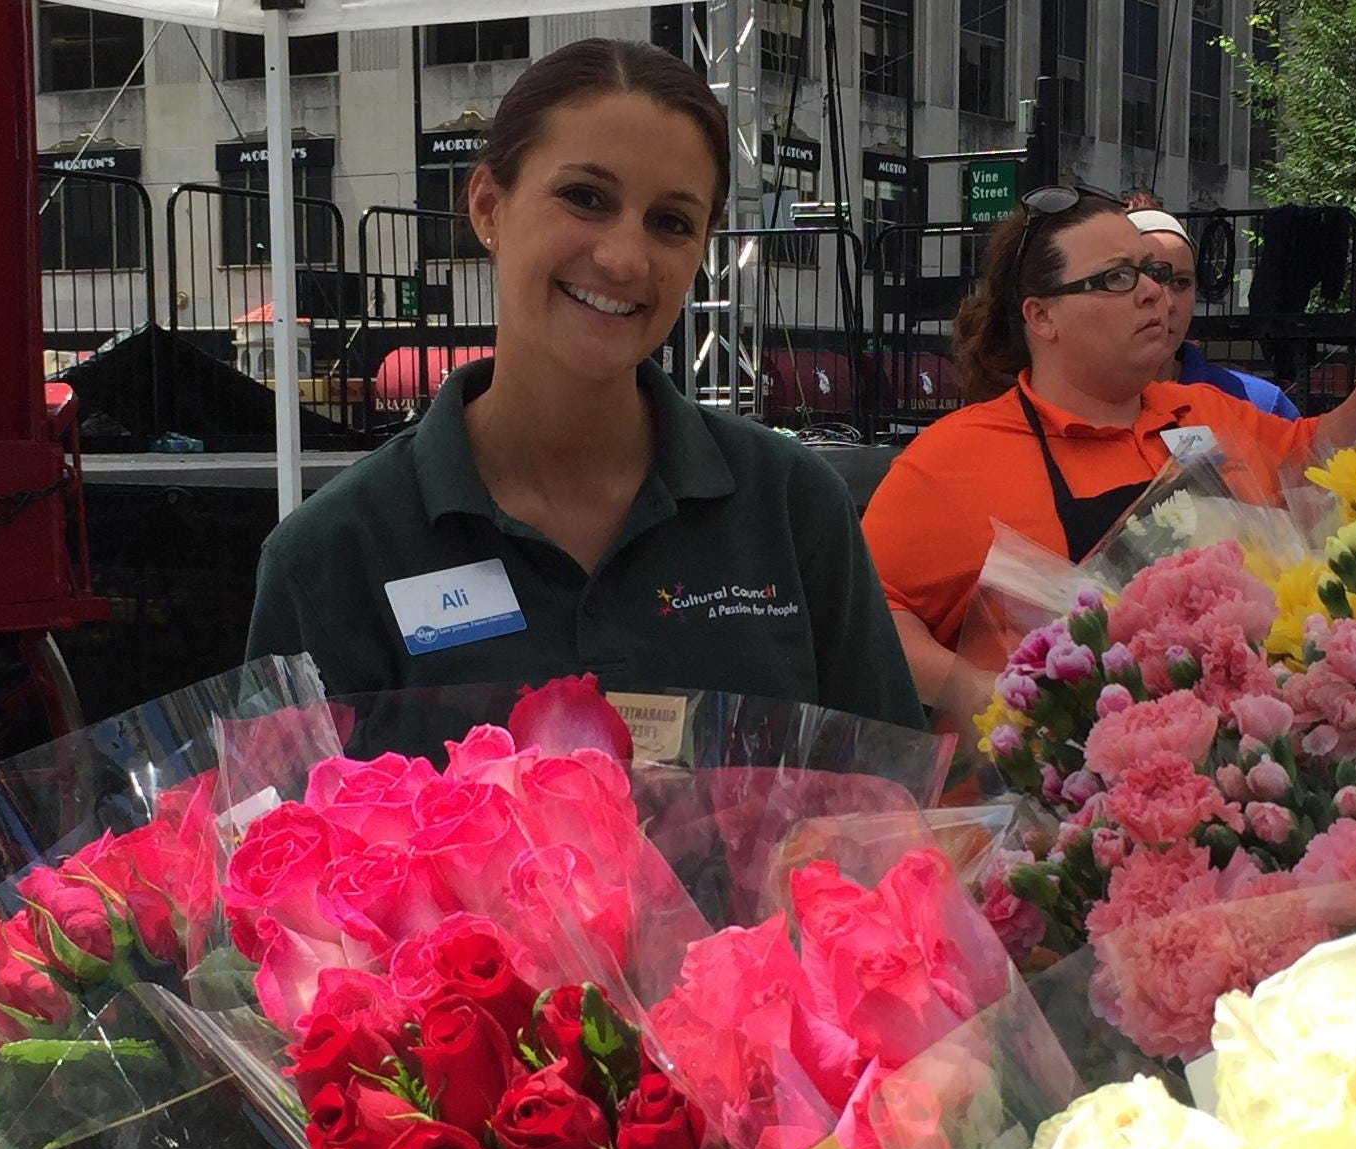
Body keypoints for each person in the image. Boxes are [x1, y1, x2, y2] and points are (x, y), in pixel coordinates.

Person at [246, 41, 921, 729]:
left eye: (671, 222)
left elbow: (893, 811)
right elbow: (279, 830)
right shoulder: (332, 557)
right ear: (486, 205)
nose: (625, 258)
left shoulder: (792, 508)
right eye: (585, 198)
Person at [861, 186, 1356, 717]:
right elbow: (862, 605)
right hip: (1049, 806)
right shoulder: (953, 458)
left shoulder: (1206, 411)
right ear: (1041, 316)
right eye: (1117, 278)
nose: (1153, 294)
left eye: (1153, 273)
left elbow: (1312, 467)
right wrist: (982, 693)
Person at [1131, 208, 1298, 419]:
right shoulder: (1079, 404)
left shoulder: (1259, 405)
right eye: (1149, 280)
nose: (1168, 303)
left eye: (1181, 283)